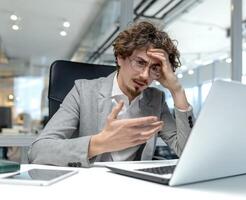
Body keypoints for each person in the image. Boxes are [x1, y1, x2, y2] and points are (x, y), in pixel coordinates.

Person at [28, 21, 194, 167]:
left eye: (154, 68)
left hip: (136, 186)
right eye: (140, 62)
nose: (145, 75)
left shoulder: (156, 99)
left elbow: (187, 151)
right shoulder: (83, 91)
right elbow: (38, 151)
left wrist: (177, 91)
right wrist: (100, 143)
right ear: (120, 57)